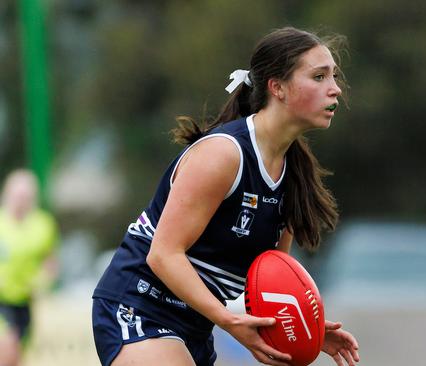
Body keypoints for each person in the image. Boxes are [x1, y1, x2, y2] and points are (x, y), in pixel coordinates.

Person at [92, 27, 360, 366]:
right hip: (139, 303)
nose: (335, 89)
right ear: (277, 87)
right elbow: (163, 254)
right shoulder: (224, 154)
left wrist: (307, 330)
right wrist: (229, 321)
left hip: (195, 325)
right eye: (319, 76)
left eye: (334, 76)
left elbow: (270, 283)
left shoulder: (293, 175)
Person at [0, 169, 59, 366]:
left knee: (16, 357)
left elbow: (50, 261)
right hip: (1, 300)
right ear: (7, 194)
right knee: (8, 350)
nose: (21, 200)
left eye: (26, 196)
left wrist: (43, 280)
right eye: (17, 195)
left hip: (24, 301)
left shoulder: (43, 224)